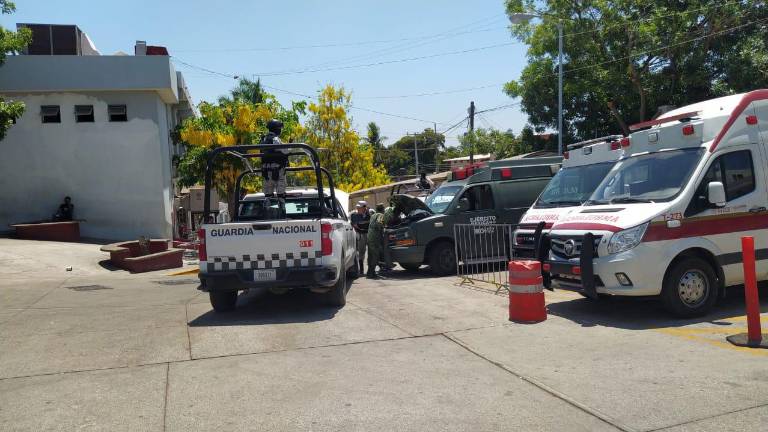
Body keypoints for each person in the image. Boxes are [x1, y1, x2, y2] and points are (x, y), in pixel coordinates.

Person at [260, 119, 289, 200]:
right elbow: (285, 151)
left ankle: (267, 210)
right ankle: (282, 209)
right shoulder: (275, 139)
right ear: (276, 129)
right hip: (278, 171)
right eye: (280, 128)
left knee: (268, 196)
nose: (280, 130)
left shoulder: (263, 140)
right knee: (281, 195)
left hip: (266, 172)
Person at [366, 203, 386, 279]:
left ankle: (369, 272)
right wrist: (384, 227)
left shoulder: (373, 215)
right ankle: (371, 273)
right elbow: (378, 223)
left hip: (370, 236)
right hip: (375, 238)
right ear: (382, 209)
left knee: (370, 255)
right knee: (375, 255)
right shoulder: (380, 215)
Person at [350, 201, 370, 273]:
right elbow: (355, 225)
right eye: (357, 207)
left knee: (371, 251)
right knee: (361, 252)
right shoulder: (354, 215)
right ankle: (361, 269)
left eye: (359, 207)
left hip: (369, 234)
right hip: (360, 234)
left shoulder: (369, 214)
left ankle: (371, 269)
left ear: (365, 208)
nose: (358, 208)